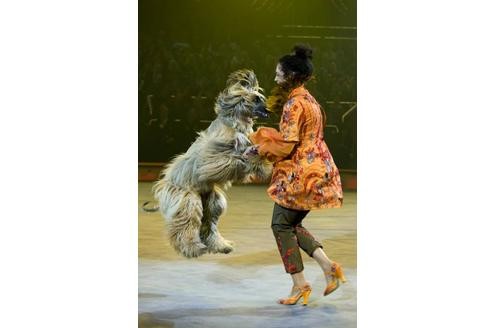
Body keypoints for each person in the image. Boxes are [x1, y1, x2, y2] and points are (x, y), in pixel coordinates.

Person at [247, 44, 346, 305]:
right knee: (290, 224)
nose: (275, 77)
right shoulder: (309, 100)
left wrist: (257, 149)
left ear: (291, 76)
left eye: (279, 73)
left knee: (280, 224)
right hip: (319, 167)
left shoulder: (294, 104)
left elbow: (287, 144)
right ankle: (329, 268)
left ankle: (300, 284)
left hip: (302, 173)